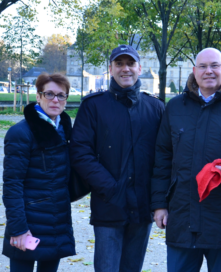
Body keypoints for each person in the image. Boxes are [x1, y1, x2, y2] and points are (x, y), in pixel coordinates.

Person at [151, 48, 221, 272]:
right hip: (181, 215)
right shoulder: (174, 107)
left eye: (214, 65)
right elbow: (162, 158)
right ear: (194, 71)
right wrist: (159, 205)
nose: (208, 71)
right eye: (202, 66)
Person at [70, 44, 165, 272]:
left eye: (130, 63)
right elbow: (81, 153)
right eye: (119, 64)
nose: (126, 69)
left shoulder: (156, 108)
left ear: (139, 68)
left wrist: (159, 200)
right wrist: (111, 188)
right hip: (108, 205)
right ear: (110, 68)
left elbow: (164, 156)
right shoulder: (93, 106)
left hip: (142, 207)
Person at [2, 73, 75, 272]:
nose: (55, 100)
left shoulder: (65, 130)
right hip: (29, 220)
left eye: (61, 95)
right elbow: (12, 184)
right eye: (49, 94)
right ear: (38, 96)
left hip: (56, 220)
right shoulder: (21, 133)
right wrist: (18, 228)